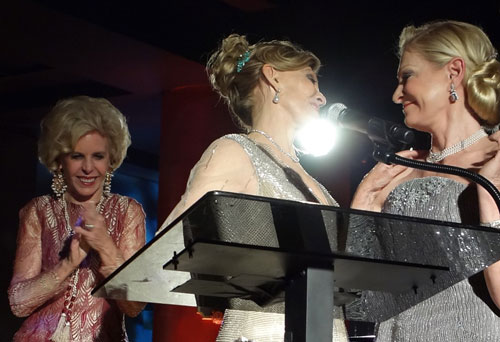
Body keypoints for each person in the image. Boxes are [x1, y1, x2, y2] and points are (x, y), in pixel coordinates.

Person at [158, 34, 347, 342]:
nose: (321, 97)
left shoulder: (312, 180)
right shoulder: (235, 151)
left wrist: (369, 200)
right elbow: (168, 246)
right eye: (311, 79)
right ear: (273, 77)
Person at [350, 20, 500, 341]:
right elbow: (360, 300)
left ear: (453, 72)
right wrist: (363, 209)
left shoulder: (496, 158)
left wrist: (488, 199)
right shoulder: (395, 170)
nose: (395, 95)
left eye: (407, 76)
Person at [8, 96, 146, 341]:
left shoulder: (128, 212)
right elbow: (18, 304)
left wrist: (106, 247)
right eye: (76, 156)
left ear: (111, 160)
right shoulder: (37, 211)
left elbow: (134, 306)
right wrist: (68, 263)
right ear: (59, 161)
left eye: (98, 156)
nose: (88, 168)